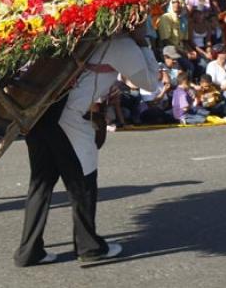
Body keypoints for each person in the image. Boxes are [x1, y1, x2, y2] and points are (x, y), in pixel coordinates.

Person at [14, 25, 161, 266]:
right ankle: (88, 246)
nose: (147, 25)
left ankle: (29, 251)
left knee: (41, 184)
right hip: (66, 119)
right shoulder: (122, 44)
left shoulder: (83, 33)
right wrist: (143, 44)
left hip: (40, 115)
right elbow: (150, 83)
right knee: (83, 181)